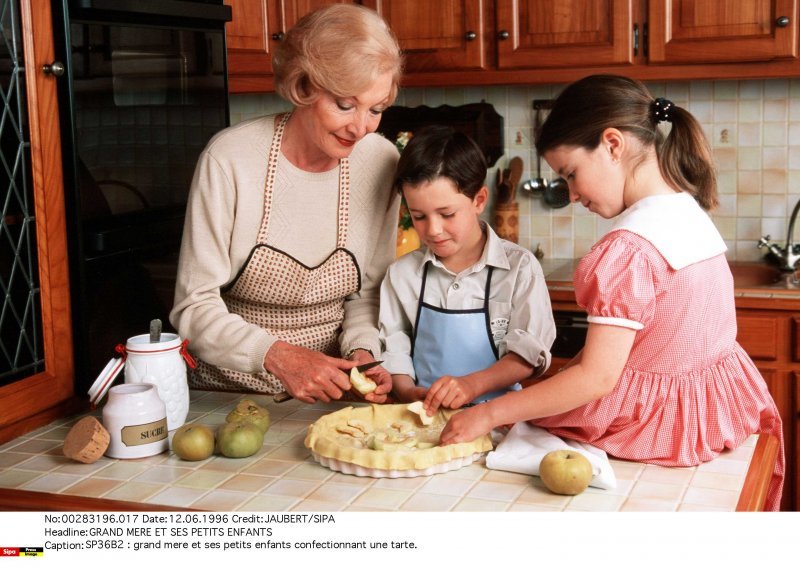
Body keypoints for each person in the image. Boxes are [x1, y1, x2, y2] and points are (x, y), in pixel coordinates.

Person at [439, 75, 785, 511]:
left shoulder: (627, 250)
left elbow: (599, 378)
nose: (571, 194)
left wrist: (488, 412)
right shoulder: (686, 210)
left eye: (571, 173)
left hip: (655, 427)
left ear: (612, 144)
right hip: (712, 415)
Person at [169, 5, 403, 404]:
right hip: (226, 392)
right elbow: (193, 307)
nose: (361, 127)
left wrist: (362, 355)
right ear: (304, 86)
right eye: (345, 105)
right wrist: (278, 356)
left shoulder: (382, 162)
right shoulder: (230, 158)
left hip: (330, 396)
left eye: (376, 109)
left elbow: (368, 293)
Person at [379, 125, 556, 407]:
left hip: (500, 418)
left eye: (447, 214)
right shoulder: (402, 274)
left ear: (479, 200)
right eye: (419, 216)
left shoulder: (519, 268)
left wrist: (471, 386)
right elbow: (394, 344)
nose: (433, 230)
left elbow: (528, 353)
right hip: (424, 418)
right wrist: (406, 392)